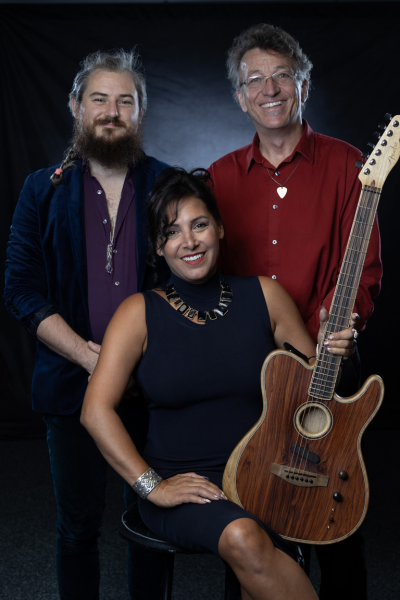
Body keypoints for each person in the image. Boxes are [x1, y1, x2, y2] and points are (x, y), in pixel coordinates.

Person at [80, 167, 357, 600]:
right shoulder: (137, 313)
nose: (189, 242)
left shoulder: (265, 295)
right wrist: (153, 485)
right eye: (172, 232)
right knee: (245, 537)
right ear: (158, 246)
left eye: (200, 224)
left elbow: (315, 396)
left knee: (260, 564)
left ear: (220, 228)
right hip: (187, 484)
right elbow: (95, 411)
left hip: (268, 478)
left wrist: (333, 351)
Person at [208, 23, 383, 600]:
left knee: (337, 523)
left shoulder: (349, 165)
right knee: (252, 513)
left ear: (303, 84)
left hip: (328, 365)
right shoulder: (220, 177)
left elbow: (366, 270)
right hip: (251, 374)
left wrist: (340, 327)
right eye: (254, 80)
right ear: (240, 96)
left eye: (282, 74)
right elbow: (211, 277)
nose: (270, 89)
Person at [4, 49, 169, 600]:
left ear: (140, 112)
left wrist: (136, 357)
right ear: (76, 106)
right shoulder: (39, 190)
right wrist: (86, 355)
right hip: (71, 387)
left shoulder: (169, 187)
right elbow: (20, 290)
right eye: (99, 98)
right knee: (77, 529)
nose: (112, 111)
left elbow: (194, 283)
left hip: (153, 388)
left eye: (126, 100)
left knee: (149, 524)